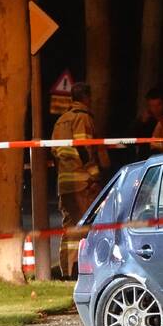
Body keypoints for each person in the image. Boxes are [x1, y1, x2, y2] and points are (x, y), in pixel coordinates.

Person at [51, 82, 110, 278]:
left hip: (64, 183)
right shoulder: (83, 119)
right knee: (85, 227)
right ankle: (82, 272)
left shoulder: (60, 121)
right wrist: (95, 175)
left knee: (69, 229)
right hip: (82, 182)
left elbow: (54, 153)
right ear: (86, 98)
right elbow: (84, 150)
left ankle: (67, 271)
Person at [132, 88, 163, 161]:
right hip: (146, 159)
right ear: (148, 106)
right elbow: (131, 138)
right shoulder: (144, 121)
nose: (156, 109)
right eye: (152, 106)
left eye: (158, 105)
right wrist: (142, 123)